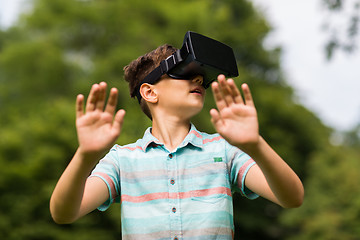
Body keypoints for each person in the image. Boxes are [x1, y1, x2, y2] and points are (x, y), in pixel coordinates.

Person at [50, 44, 304, 240]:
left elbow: (292, 198)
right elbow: (63, 213)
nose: (198, 81)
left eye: (202, 78)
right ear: (150, 92)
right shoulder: (122, 160)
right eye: (184, 73)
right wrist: (85, 155)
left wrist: (255, 145)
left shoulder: (223, 151)